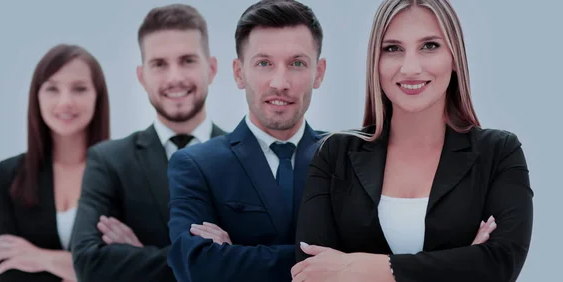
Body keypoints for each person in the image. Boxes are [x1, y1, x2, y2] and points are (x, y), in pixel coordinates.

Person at [292, 0, 534, 281]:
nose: (410, 68)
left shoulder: (499, 152)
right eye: (393, 48)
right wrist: (459, 264)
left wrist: (363, 267)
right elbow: (311, 272)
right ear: (376, 61)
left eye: (429, 46)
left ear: (455, 57)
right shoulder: (335, 153)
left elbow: (499, 265)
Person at [166, 1, 327, 281]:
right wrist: (328, 263)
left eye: (297, 63)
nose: (280, 82)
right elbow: (195, 265)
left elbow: (371, 253)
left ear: (319, 72)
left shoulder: (345, 157)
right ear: (239, 73)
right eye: (264, 63)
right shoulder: (196, 165)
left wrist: (235, 254)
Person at [70, 4, 226, 282]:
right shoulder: (108, 162)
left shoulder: (249, 156)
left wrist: (138, 257)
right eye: (159, 64)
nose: (175, 77)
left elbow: (269, 264)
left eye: (188, 60)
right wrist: (216, 259)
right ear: (142, 76)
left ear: (211, 68)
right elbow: (88, 263)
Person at [0, 44, 110, 282]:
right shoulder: (10, 175)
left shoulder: (122, 173)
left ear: (97, 96)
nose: (65, 102)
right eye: (52, 89)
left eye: (79, 89)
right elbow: (7, 271)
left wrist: (41, 258)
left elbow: (130, 270)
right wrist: (84, 269)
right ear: (37, 96)